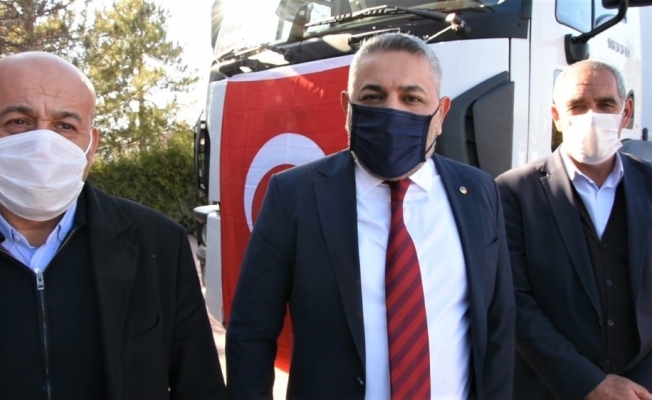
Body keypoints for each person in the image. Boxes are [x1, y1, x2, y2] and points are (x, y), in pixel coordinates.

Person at [226, 32, 515, 399]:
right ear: (347, 108)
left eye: (411, 98)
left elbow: (498, 324)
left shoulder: (478, 191)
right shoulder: (294, 195)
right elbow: (251, 331)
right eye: (373, 97)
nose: (392, 112)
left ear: (441, 113)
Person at [0, 52, 226, 399]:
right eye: (18, 121)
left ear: (91, 146)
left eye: (65, 126)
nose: (43, 146)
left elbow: (199, 385)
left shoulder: (159, 243)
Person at [496, 60, 652, 400]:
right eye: (577, 106)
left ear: (626, 112)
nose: (591, 116)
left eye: (605, 105)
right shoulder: (513, 192)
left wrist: (641, 385)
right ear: (556, 116)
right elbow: (514, 300)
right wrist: (587, 383)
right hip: (551, 390)